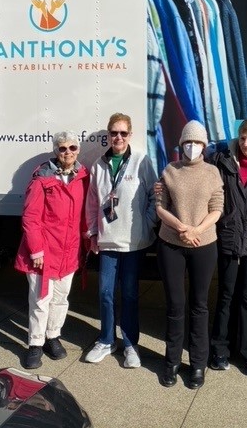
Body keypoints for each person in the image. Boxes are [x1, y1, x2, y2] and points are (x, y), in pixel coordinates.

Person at [84, 112, 157, 368]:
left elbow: (154, 197)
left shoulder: (141, 161)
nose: (118, 137)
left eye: (123, 133)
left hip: (133, 242)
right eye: (114, 133)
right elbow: (92, 203)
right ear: (108, 135)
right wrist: (93, 231)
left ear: (130, 135)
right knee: (105, 292)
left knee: (129, 294)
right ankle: (106, 340)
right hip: (107, 242)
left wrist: (146, 225)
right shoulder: (98, 165)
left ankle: (129, 344)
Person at [156, 120, 224, 390]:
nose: (192, 147)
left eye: (197, 143)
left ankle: (197, 363)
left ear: (204, 146)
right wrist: (182, 228)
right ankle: (171, 361)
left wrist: (196, 229)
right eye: (188, 142)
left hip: (204, 243)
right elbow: (160, 206)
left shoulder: (212, 173)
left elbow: (217, 208)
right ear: (181, 144)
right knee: (174, 305)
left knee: (199, 305)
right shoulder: (170, 170)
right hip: (171, 242)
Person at [14, 130, 89, 370]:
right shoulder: (42, 178)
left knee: (60, 298)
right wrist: (36, 250)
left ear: (78, 150)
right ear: (56, 151)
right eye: (62, 148)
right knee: (39, 300)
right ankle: (35, 343)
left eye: (72, 148)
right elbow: (31, 217)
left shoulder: (83, 176)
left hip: (69, 251)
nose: (67, 152)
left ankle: (53, 336)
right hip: (43, 253)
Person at [209, 118, 247, 376]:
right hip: (228, 239)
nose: (246, 143)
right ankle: (220, 349)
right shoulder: (222, 162)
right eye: (243, 137)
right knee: (225, 296)